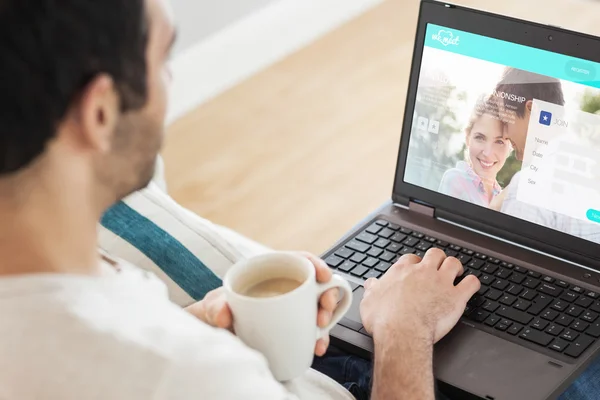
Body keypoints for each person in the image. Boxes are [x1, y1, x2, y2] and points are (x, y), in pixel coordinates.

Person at [0, 0, 481, 399]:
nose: (169, 83)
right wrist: (404, 329)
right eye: (163, 60)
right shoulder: (187, 375)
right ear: (100, 112)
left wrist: (205, 322)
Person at [490, 67, 600, 244]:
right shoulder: (590, 165)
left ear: (532, 110)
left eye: (506, 121)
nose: (505, 135)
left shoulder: (528, 186)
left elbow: (514, 261)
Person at [438, 95, 512, 206]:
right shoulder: (456, 180)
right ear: (468, 138)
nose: (487, 153)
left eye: (499, 142)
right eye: (480, 138)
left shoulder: (504, 199)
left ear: (510, 148)